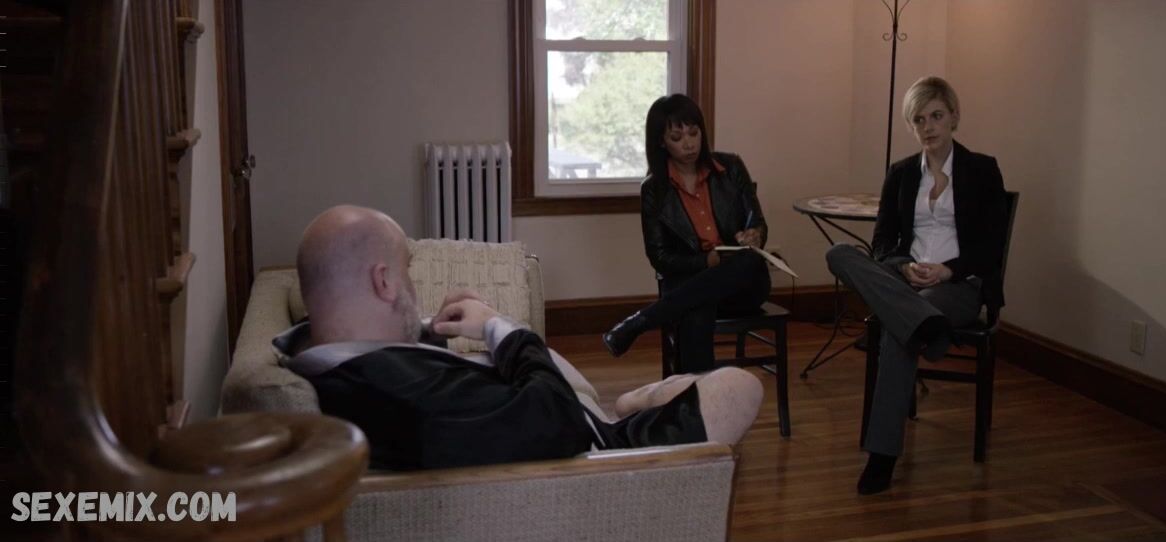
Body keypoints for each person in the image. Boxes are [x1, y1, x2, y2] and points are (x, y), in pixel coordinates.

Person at [272, 205, 762, 471]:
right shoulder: (401, 397)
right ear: (383, 281)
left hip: (551, 411)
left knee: (675, 389)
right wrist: (499, 327)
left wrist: (427, 329)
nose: (411, 286)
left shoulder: (321, 354)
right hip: (597, 450)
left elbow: (399, 361)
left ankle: (636, 402)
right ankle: (633, 408)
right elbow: (556, 421)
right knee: (741, 386)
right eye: (407, 272)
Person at [825, 76, 1008, 494]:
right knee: (839, 253)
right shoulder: (902, 173)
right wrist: (905, 266)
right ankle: (927, 325)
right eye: (919, 120)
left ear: (954, 117)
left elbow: (991, 249)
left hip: (957, 285)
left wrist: (947, 271)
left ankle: (882, 456)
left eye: (937, 116)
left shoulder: (982, 170)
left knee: (898, 328)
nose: (929, 127)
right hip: (905, 282)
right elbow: (881, 244)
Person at [603, 94, 772, 373]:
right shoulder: (654, 190)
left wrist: (755, 234)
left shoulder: (731, 167)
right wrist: (706, 261)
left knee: (749, 260)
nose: (689, 143)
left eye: (694, 133)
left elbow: (757, 220)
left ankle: (642, 321)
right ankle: (697, 394)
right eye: (677, 137)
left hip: (740, 286)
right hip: (690, 281)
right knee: (695, 310)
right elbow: (659, 257)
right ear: (661, 142)